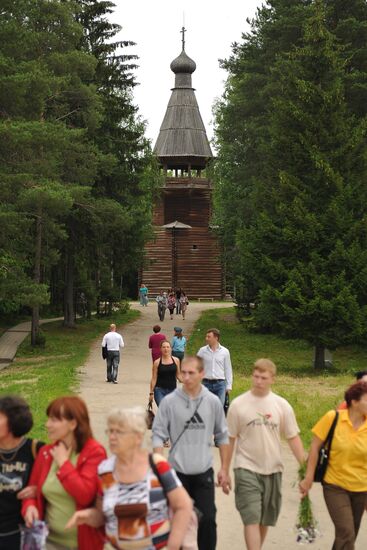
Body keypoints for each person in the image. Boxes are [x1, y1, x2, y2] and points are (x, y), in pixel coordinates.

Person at [66, 406, 192, 550]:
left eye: (118, 432)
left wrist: (173, 546)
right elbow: (102, 515)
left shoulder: (156, 465)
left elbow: (183, 506)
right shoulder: (105, 470)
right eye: (110, 431)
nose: (112, 437)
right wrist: (88, 515)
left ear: (138, 437)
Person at [225, 358, 305, 550]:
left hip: (273, 469)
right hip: (245, 468)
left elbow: (292, 437)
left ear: (272, 379)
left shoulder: (281, 405)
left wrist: (305, 468)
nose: (259, 381)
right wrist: (224, 470)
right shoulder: (238, 404)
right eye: (256, 376)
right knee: (251, 516)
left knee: (265, 518)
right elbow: (230, 438)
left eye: (263, 377)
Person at [152, 355, 231, 550]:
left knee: (208, 521)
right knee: (178, 522)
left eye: (191, 373)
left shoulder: (212, 402)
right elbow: (158, 434)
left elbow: (222, 436)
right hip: (176, 474)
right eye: (183, 373)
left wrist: (225, 470)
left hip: (203, 471)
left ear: (201, 374)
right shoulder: (170, 402)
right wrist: (160, 467)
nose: (186, 377)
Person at [22, 396, 106, 550]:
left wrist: (63, 464)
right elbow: (32, 492)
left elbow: (85, 495)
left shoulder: (94, 452)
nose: (47, 424)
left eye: (54, 420)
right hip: (47, 543)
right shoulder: (46, 452)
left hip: (81, 544)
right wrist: (30, 507)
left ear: (73, 424)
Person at [300, 381, 367, 550]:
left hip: (362, 489)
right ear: (354, 401)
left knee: (348, 536)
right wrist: (308, 477)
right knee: (347, 532)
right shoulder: (333, 418)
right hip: (335, 486)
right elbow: (315, 447)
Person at [0, 396, 44, 550]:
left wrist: (40, 490)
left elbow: (59, 486)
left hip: (22, 532)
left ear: (13, 421)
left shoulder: (36, 449)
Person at [197, 328, 233, 406]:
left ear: (216, 338)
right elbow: (196, 366)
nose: (206, 339)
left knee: (219, 408)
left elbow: (228, 369)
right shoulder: (202, 351)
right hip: (206, 383)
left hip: (220, 385)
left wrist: (229, 386)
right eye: (206, 336)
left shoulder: (225, 351)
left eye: (209, 337)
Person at [149, 340, 181, 407]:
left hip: (172, 390)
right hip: (159, 390)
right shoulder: (157, 362)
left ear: (171, 348)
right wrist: (151, 393)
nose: (166, 349)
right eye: (163, 347)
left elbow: (178, 375)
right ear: (160, 349)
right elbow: (154, 378)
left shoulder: (176, 360)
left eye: (167, 347)